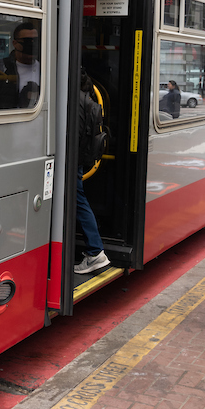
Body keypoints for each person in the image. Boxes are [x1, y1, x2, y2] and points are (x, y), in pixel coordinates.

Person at [74, 70, 111, 278]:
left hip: (71, 162)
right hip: (80, 160)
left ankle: (95, 251)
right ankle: (95, 251)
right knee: (79, 201)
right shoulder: (88, 100)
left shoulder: (75, 102)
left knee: (79, 202)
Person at [0, 22, 40, 111]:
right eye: (26, 41)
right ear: (15, 43)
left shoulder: (47, 70)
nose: (32, 45)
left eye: (35, 41)